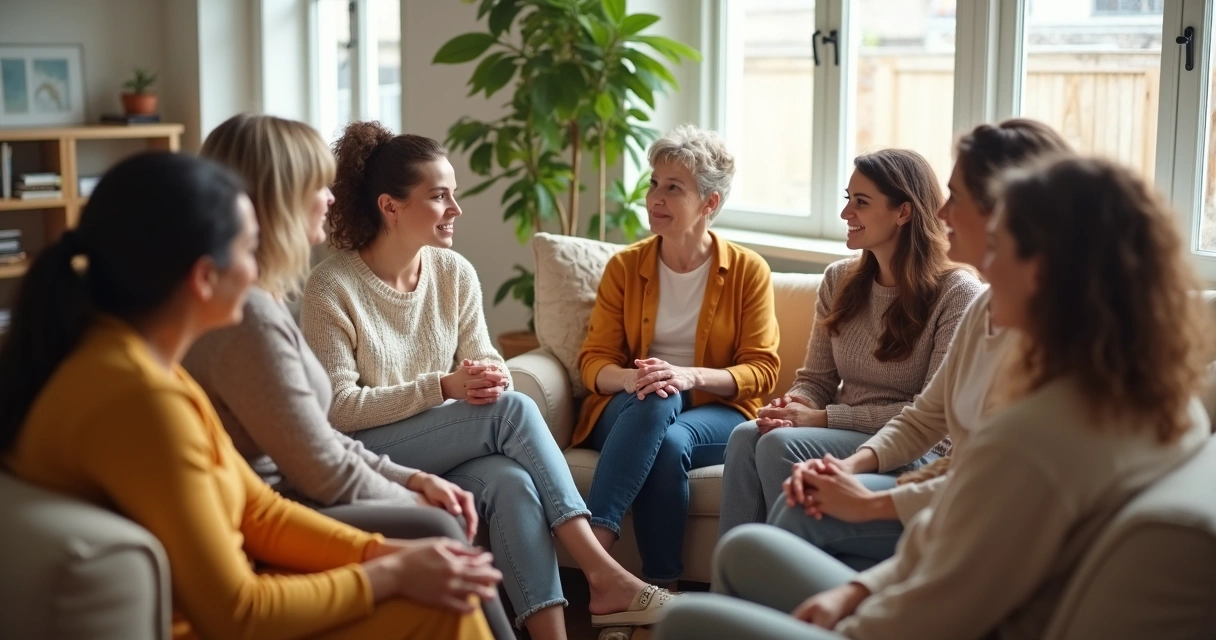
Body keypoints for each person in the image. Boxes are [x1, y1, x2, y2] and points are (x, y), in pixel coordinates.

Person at [653, 155, 1213, 640]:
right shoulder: (1162, 402)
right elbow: (945, 545)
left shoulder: (1034, 437)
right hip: (906, 598)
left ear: (1042, 270)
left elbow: (941, 607)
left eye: (999, 246)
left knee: (684, 624)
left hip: (915, 627)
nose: (983, 264)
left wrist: (846, 617)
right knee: (745, 549)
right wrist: (852, 591)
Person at [0, 152, 497, 640]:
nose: (256, 276)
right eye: (247, 250)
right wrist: (392, 574)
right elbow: (238, 614)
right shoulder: (141, 399)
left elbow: (259, 511)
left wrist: (387, 556)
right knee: (445, 610)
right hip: (217, 620)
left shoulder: (150, 369)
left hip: (248, 592)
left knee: (445, 599)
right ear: (203, 278)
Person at [299, 121, 673, 638]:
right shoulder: (331, 287)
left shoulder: (454, 273)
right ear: (390, 206)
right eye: (439, 196)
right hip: (366, 451)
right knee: (514, 411)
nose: (455, 209)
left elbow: (486, 360)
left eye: (454, 195)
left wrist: (486, 375)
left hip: (441, 443)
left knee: (511, 481)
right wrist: (444, 387)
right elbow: (339, 408)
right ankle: (603, 573)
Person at [183, 114, 514, 639]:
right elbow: (322, 462)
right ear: (277, 198)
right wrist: (414, 493)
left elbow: (318, 437)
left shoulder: (258, 301)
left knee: (503, 480)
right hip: (277, 505)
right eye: (317, 185)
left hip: (300, 486)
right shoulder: (250, 316)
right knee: (438, 523)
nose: (332, 198)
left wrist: (413, 478)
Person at [762, 120, 1072, 569]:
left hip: (960, 508)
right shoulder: (988, 305)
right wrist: (846, 465)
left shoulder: (979, 303)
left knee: (788, 505)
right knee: (757, 470)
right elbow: (925, 416)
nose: (942, 214)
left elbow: (981, 472)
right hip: (921, 472)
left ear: (1005, 212)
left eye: (957, 199)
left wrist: (867, 501)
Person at [718, 148, 982, 545]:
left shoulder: (957, 294)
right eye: (847, 199)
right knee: (746, 435)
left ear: (903, 212)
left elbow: (934, 423)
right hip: (839, 431)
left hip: (910, 450)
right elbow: (815, 380)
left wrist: (823, 420)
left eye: (861, 202)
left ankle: (794, 575)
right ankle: (734, 591)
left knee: (777, 446)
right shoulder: (838, 279)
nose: (846, 214)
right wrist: (795, 406)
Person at [575, 124, 779, 586]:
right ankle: (610, 561)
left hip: (718, 409)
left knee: (669, 434)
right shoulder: (625, 267)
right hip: (631, 404)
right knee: (657, 397)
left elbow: (762, 369)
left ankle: (643, 583)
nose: (654, 198)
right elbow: (593, 361)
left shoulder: (748, 270)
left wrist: (688, 376)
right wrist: (630, 379)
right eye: (653, 183)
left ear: (710, 203)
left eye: (673, 188)